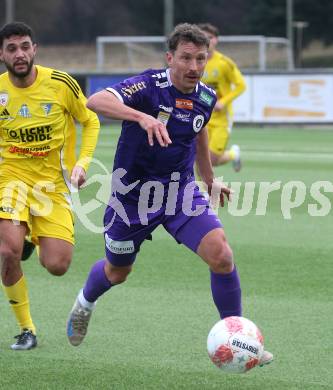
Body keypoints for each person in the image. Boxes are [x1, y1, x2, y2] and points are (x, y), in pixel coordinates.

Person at [66, 23, 272, 367]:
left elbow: (200, 132)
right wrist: (141, 117)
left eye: (200, 59)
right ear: (170, 58)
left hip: (179, 192)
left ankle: (239, 336)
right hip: (131, 198)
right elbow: (95, 100)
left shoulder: (206, 96)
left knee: (221, 255)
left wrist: (209, 179)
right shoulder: (148, 85)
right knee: (118, 272)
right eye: (186, 58)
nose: (194, 66)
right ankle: (85, 303)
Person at [0, 22, 100, 350]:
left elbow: (90, 119)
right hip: (10, 181)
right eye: (12, 48)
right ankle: (27, 329)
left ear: (34, 49)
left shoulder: (60, 84)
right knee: (7, 252)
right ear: (2, 54)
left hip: (51, 186)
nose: (20, 54)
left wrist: (82, 163)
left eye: (25, 46)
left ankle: (31, 236)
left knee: (57, 265)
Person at [198, 23, 246, 171]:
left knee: (211, 160)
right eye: (203, 37)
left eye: (210, 37)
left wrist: (223, 102)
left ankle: (232, 154)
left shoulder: (224, 63)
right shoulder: (196, 61)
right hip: (201, 115)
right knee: (199, 158)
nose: (207, 40)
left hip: (221, 118)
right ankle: (203, 193)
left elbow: (241, 85)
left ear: (216, 40)